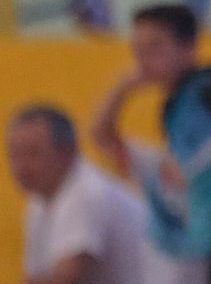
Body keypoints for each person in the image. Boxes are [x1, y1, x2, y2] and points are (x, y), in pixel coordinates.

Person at [91, 3, 211, 284]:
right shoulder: (171, 140)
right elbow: (101, 136)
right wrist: (122, 87)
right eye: (138, 51)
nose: (143, 60)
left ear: (188, 46)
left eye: (154, 48)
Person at [8, 105, 146, 284]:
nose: (21, 167)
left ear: (68, 151)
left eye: (33, 153)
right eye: (14, 154)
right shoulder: (41, 200)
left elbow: (66, 278)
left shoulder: (87, 193)